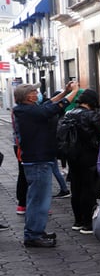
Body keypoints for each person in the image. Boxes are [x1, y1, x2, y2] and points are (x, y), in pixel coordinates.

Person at [13, 81, 79, 248]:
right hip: (38, 160)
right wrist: (74, 92)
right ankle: (33, 235)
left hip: (37, 160)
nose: (37, 94)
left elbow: (49, 104)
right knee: (39, 200)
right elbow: (55, 107)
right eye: (34, 92)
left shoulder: (27, 110)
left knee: (36, 199)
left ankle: (35, 231)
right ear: (27, 96)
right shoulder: (29, 112)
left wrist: (64, 92)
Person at [65, 89, 100, 234]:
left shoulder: (68, 114)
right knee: (88, 189)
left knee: (76, 187)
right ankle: (88, 223)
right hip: (89, 156)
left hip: (72, 156)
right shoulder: (92, 115)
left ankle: (78, 221)